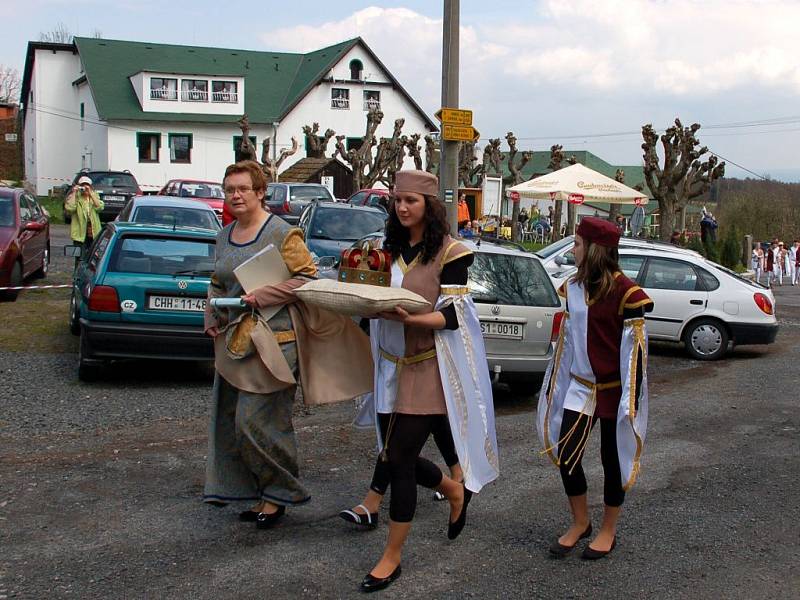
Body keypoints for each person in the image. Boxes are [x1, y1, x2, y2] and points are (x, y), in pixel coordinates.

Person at [203, 160, 372, 529]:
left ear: (260, 192)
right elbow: (218, 281)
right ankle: (257, 491)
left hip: (277, 345)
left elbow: (307, 278)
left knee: (258, 421)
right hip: (235, 342)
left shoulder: (282, 233)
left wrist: (265, 294)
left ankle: (280, 491)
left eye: (243, 189)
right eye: (229, 189)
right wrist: (210, 313)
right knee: (232, 422)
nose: (235, 196)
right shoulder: (223, 235)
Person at [352, 170, 499, 593]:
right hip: (388, 366)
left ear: (429, 206)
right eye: (397, 200)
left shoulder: (453, 252)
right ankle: (453, 488)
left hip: (426, 366)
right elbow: (370, 297)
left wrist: (410, 318)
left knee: (399, 459)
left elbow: (452, 315)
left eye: (410, 201)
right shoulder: (385, 249)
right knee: (390, 453)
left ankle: (391, 557)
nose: (401, 208)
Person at [537, 216, 653, 560]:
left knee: (611, 459)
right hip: (580, 386)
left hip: (614, 389)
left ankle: (607, 530)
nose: (572, 250)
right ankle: (580, 521)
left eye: (576, 244)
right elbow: (569, 342)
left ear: (595, 249)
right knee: (567, 454)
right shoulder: (573, 287)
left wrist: (630, 403)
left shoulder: (627, 294)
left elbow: (634, 356)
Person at [64, 176, 104, 259]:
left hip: (93, 231)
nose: (84, 188)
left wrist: (91, 194)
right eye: (82, 185)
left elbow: (100, 207)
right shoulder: (76, 197)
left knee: (92, 257)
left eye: (87, 185)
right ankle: (78, 270)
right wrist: (74, 193)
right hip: (79, 232)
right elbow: (70, 208)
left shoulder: (94, 196)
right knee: (79, 257)